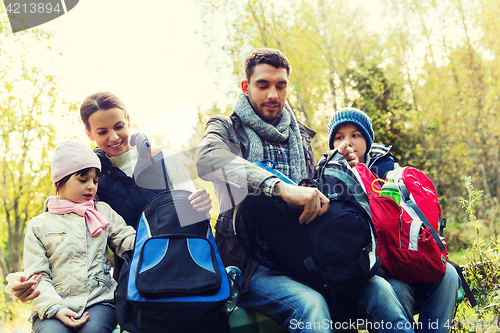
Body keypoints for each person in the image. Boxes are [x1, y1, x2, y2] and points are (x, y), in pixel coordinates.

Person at [196, 48, 415, 333]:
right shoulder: (225, 127)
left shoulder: (300, 137)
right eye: (263, 85)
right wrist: (279, 188)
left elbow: (316, 192)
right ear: (246, 87)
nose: (273, 94)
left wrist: (339, 167)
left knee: (380, 290)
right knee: (311, 305)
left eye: (280, 85)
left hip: (308, 253)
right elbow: (207, 159)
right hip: (252, 265)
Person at [7, 92, 212, 298]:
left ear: (128, 120)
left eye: (119, 126)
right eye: (102, 131)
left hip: (188, 269)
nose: (113, 137)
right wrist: (23, 277)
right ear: (89, 134)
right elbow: (67, 237)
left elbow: (196, 222)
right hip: (136, 284)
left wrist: (201, 207)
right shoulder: (92, 182)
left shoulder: (164, 159)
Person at [327, 107, 462, 333]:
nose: (347, 142)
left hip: (406, 255)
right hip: (375, 268)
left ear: (367, 141)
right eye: (339, 137)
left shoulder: (390, 172)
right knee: (397, 290)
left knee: (448, 275)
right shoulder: (331, 177)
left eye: (355, 135)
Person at [23, 141, 136, 333]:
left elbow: (128, 240)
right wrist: (55, 309)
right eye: (83, 180)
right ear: (60, 180)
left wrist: (158, 242)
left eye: (95, 181)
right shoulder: (38, 225)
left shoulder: (103, 212)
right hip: (53, 304)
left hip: (99, 301)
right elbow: (37, 276)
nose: (91, 186)